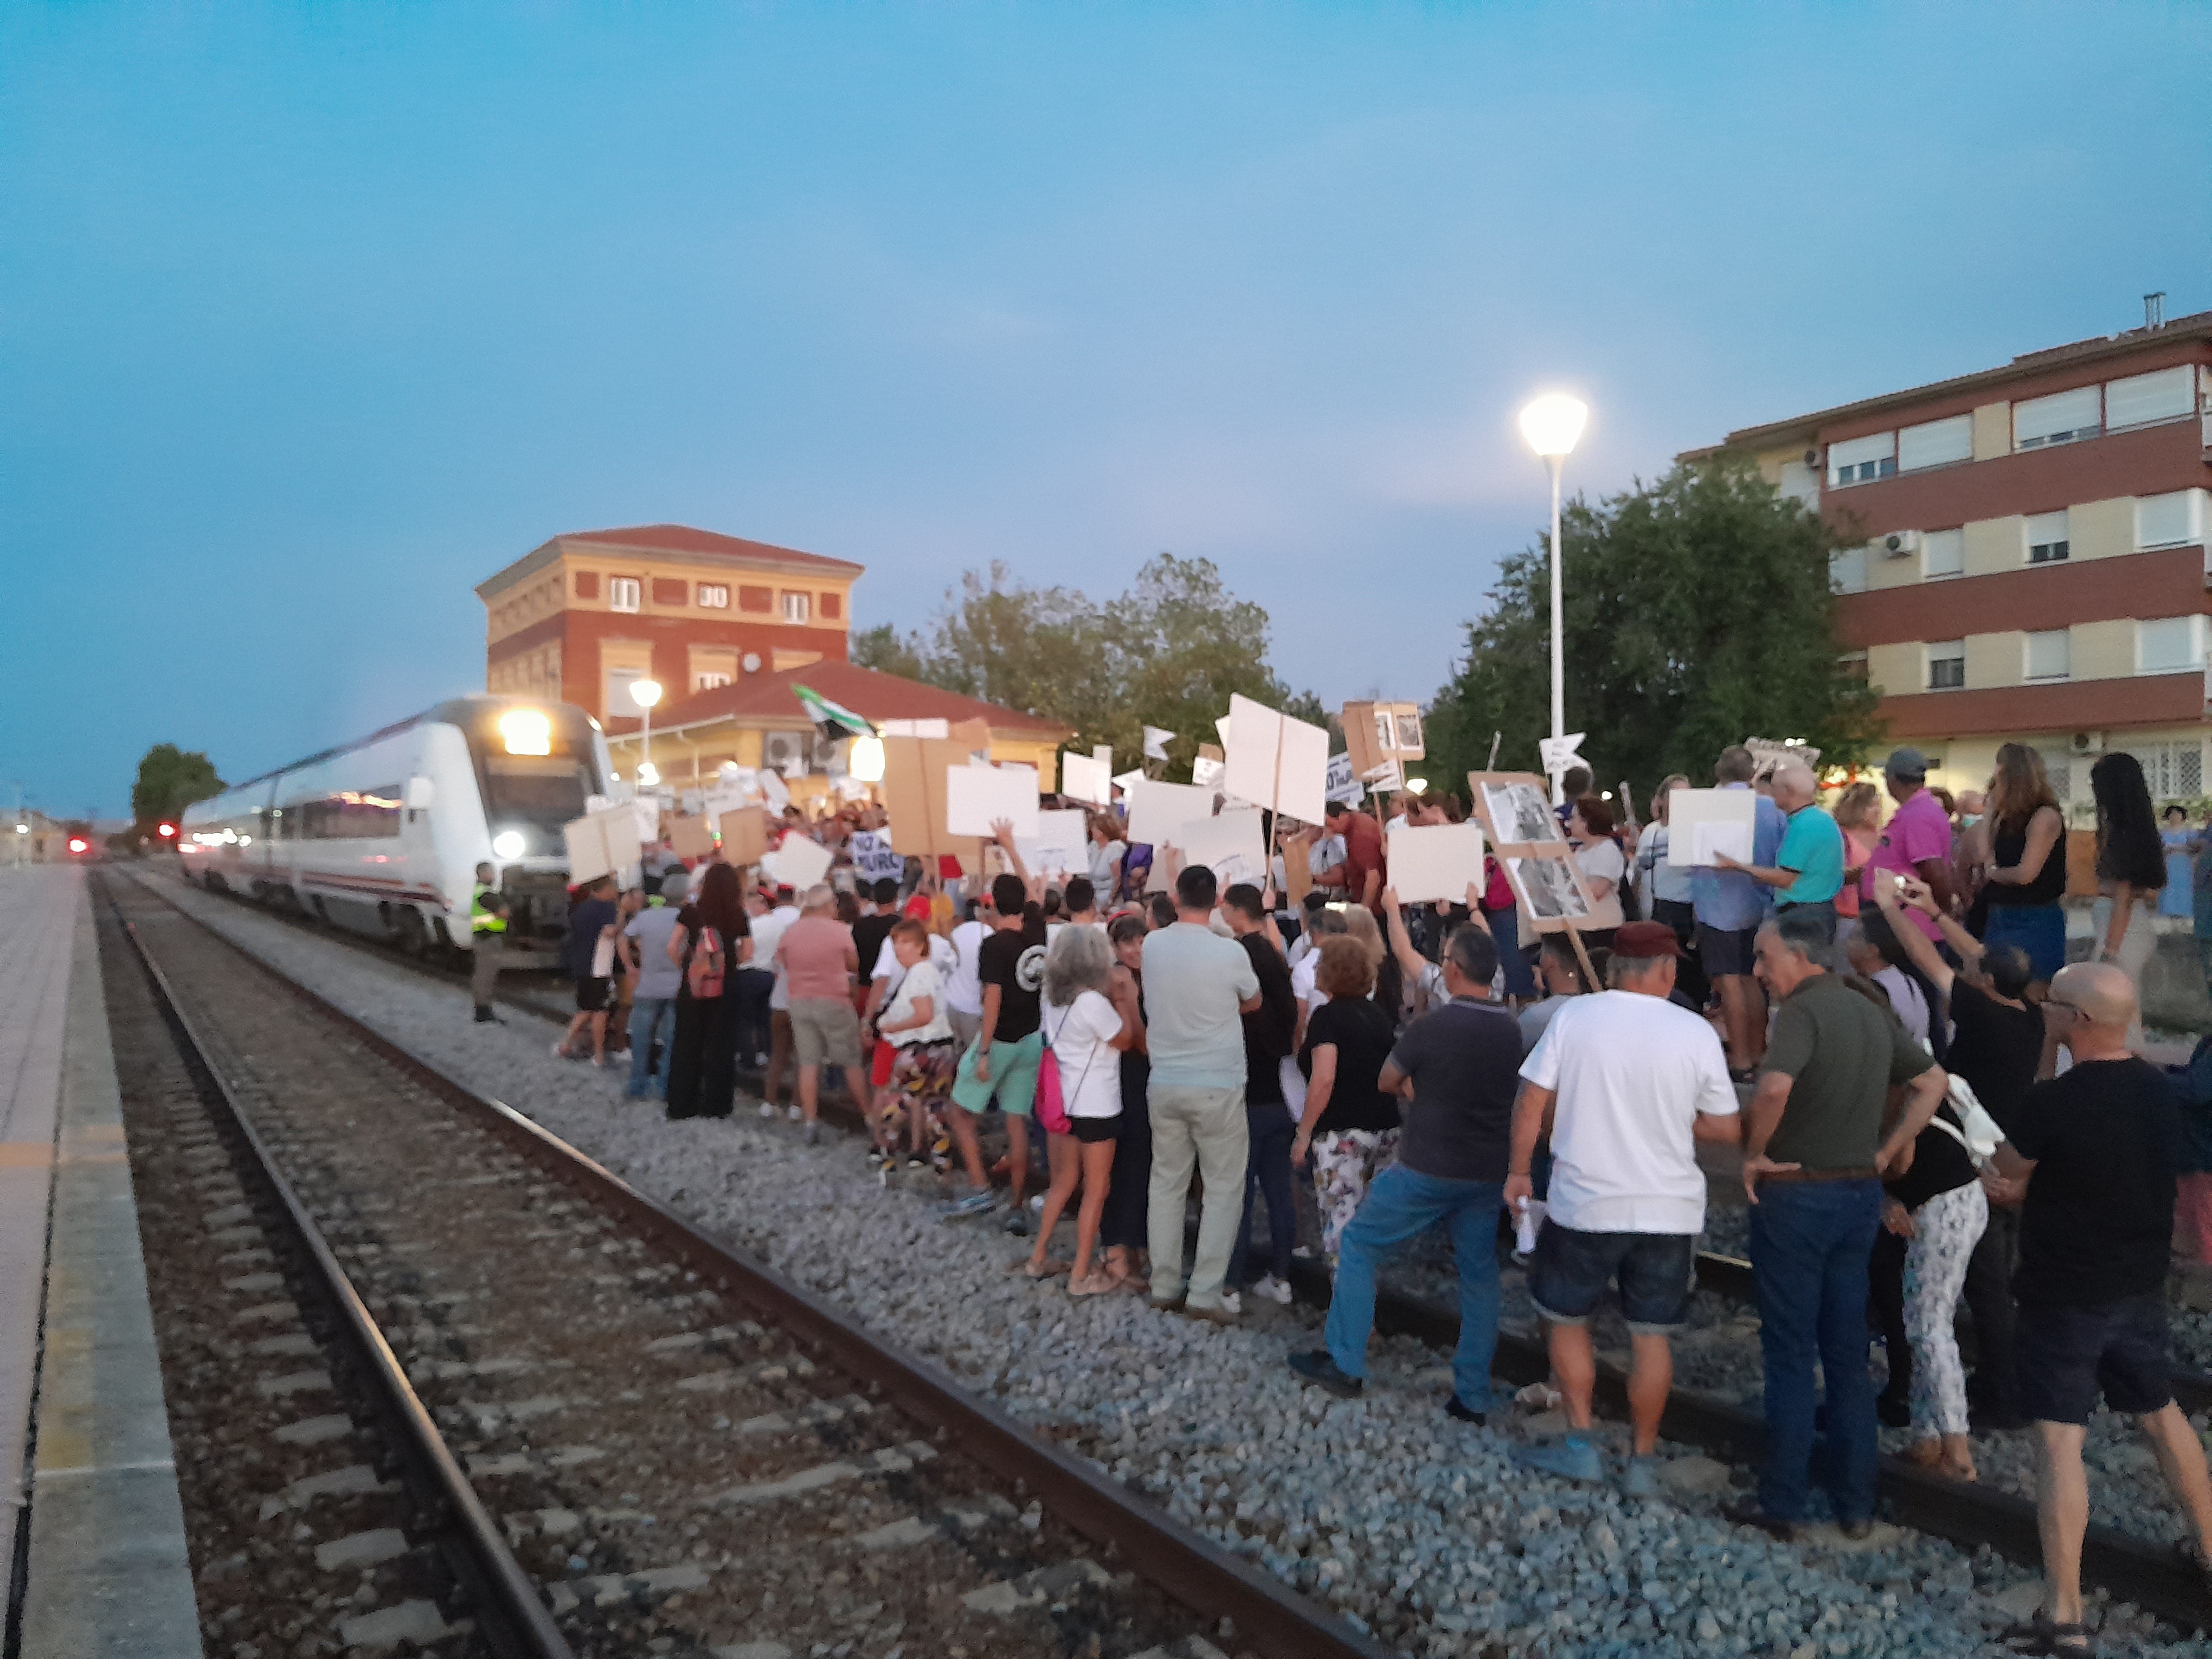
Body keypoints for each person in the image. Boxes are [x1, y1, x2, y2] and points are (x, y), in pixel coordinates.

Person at [1988, 963, 2212, 1655]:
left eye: (2052, 1008)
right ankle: (2210, 1547)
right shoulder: (2158, 1090)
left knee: (2060, 1442)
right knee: (2160, 1413)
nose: (2044, 1014)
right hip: (2138, 1286)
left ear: (2077, 1022)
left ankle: (2066, 1616)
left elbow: (2007, 1176)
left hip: (2064, 1295)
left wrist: (2010, 1186)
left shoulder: (2049, 1104)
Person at [1727, 908, 1947, 1541]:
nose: (1759, 971)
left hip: (1798, 1197)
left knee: (1792, 1353)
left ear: (1800, 959)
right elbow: (1932, 1080)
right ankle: (1856, 1504)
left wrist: (1754, 1154)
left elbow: (1771, 1090)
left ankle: (1784, 1501)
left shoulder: (1802, 1011)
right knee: (1848, 1354)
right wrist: (1888, 1148)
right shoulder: (1868, 1008)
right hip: (1858, 1194)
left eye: (1765, 958)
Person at [1507, 922, 1740, 1491]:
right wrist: (1665, 1116)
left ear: (1613, 972)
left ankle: (1582, 1446)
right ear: (1665, 971)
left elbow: (1531, 1100)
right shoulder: (1695, 1033)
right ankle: (1640, 1463)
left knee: (1565, 1320)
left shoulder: (1574, 1018)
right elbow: (1726, 1127)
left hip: (1584, 1202)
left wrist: (1517, 1171)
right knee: (1650, 1335)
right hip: (1668, 1209)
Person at [1289, 925, 1516, 1420]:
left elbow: (1390, 1079)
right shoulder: (1510, 1026)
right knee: (1478, 1276)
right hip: (1487, 1171)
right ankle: (1472, 1394)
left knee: (1358, 1243)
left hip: (1429, 1165)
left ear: (1452, 968)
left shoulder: (1432, 1028)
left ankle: (1345, 1362)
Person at [1875, 873, 2042, 1442]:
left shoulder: (1982, 1014)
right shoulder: (2028, 1011)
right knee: (1994, 1281)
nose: (1966, 972)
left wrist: (1893, 911)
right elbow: (1984, 959)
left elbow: (1928, 960)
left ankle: (1997, 1393)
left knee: (1986, 1284)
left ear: (1986, 984)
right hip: (2005, 1150)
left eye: (1975, 973)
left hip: (1973, 1161)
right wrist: (1937, 910)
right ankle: (2002, 1382)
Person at [1141, 864, 1262, 1322]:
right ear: (1217, 902)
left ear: (1174, 899)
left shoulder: (1153, 945)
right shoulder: (1229, 952)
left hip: (1165, 1077)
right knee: (1223, 1188)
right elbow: (1253, 1001)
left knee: (1167, 1183)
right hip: (1218, 1081)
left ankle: (1164, 1282)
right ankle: (1206, 1294)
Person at [1024, 927, 1138, 1289]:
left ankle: (1038, 1257)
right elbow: (1125, 1039)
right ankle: (1081, 1271)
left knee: (1062, 1183)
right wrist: (1122, 997)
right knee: (1096, 1189)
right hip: (1097, 1104)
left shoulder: (1050, 999)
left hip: (1063, 1103)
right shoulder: (1092, 1002)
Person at [947, 874, 1050, 1227]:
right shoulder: (1037, 931)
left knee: (960, 1113)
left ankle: (980, 1189)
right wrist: (1008, 845)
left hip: (1001, 1039)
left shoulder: (993, 946)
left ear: (991, 906)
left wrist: (985, 1051)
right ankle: (1017, 1206)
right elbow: (1037, 895)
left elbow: (992, 1000)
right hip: (1032, 1038)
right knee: (1016, 1120)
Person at [1290, 935, 1402, 1259]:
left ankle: (1347, 1304)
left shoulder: (1327, 1018)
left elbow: (1324, 1079)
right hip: (1385, 1128)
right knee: (1370, 1227)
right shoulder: (1377, 1015)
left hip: (1343, 1134)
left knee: (1342, 1229)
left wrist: (1304, 1133)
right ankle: (1366, 1298)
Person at [1691, 745, 1789, 1077]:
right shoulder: (1771, 808)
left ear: (1718, 772)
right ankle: (1760, 1052)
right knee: (1753, 981)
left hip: (1716, 905)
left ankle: (1741, 1058)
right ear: (1751, 774)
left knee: (1729, 983)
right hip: (1759, 903)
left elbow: (1689, 854)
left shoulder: (1702, 807)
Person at [1222, 883, 1298, 1306]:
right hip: (1281, 1091)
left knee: (1238, 1192)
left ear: (1236, 912)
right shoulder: (1275, 954)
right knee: (1278, 1191)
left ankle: (1231, 1283)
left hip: (1246, 1089)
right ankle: (1281, 1278)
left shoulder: (1240, 955)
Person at [775, 884, 867, 1146]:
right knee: (850, 1061)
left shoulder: (791, 932)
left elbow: (781, 962)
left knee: (808, 1063)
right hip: (834, 1000)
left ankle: (811, 1122)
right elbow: (853, 964)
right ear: (828, 906)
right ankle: (870, 1118)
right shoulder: (839, 931)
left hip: (800, 1001)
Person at [1713, 763, 1844, 942]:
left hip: (1803, 915)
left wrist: (1737, 866)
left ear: (1787, 791)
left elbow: (1785, 878)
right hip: (1819, 910)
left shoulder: (1804, 826)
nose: (1770, 793)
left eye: (1774, 788)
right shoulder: (1822, 819)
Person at [2088, 750, 2165, 1044]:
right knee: (2128, 1012)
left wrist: (2110, 952)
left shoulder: (2122, 837)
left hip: (2121, 934)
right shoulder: (2140, 832)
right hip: (2132, 929)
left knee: (2116, 1015)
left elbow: (2123, 899)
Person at [1979, 743, 2068, 989]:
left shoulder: (2044, 816)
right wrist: (1989, 814)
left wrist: (1995, 873)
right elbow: (1983, 854)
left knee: (2032, 988)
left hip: (2034, 916)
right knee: (1995, 986)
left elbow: (2026, 873)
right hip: (2000, 911)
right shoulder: (2008, 817)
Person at [665, 863, 749, 1121]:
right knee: (721, 1046)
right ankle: (717, 1105)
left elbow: (672, 947)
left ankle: (681, 1104)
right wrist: (727, 967)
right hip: (727, 987)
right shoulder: (738, 914)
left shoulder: (691, 912)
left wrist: (689, 967)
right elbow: (748, 951)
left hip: (693, 987)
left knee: (687, 1044)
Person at [872, 918, 958, 1169]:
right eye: (897, 943)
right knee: (936, 1112)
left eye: (906, 943)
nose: (900, 948)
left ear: (921, 946)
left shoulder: (919, 974)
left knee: (896, 1106)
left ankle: (886, 1160)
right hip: (942, 1050)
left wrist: (889, 1026)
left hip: (919, 1050)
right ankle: (943, 1172)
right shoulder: (929, 971)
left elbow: (924, 1014)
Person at [1100, 912, 1154, 1291]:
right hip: (1124, 1079)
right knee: (1128, 1165)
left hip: (1147, 1081)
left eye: (1140, 941)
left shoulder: (1152, 976)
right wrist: (1132, 1000)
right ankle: (1118, 1249)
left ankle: (1136, 1243)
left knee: (1145, 1164)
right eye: (1127, 943)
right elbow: (1138, 1040)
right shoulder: (1116, 981)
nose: (1136, 949)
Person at [1862, 748, 1956, 946]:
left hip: (1909, 926)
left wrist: (1940, 915)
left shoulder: (1917, 816)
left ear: (1892, 779)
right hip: (1903, 920)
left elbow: (1934, 872)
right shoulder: (1916, 811)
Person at [621, 867, 689, 1101]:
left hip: (647, 986)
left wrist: (630, 966)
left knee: (641, 1042)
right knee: (672, 1042)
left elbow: (624, 936)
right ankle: (664, 1087)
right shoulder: (687, 920)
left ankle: (637, 1087)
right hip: (678, 987)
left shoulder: (646, 917)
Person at [556, 874, 621, 1065]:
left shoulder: (582, 907)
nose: (616, 890)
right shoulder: (606, 908)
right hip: (598, 967)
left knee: (587, 1009)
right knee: (599, 1011)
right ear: (605, 889)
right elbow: (610, 931)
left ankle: (567, 1044)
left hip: (583, 964)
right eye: (613, 887)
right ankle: (597, 1055)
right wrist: (622, 915)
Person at [1566, 796, 1624, 950]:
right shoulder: (1580, 851)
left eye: (1574, 818)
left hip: (1602, 926)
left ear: (1586, 823)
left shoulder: (1607, 850)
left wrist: (1569, 889)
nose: (1569, 823)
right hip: (1583, 924)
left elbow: (1596, 890)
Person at [1316, 799, 1385, 912]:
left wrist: (1364, 910)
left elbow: (1373, 878)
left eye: (1330, 825)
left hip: (1377, 907)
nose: (1329, 830)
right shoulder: (1359, 820)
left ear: (1342, 816)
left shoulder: (1360, 836)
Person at [1832, 781, 1882, 930]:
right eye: (1872, 806)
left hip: (1880, 912)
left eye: (1879, 806)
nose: (1878, 811)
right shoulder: (1841, 836)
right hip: (1848, 916)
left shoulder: (1883, 836)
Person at [944, 897, 989, 1052]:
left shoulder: (954, 933)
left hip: (952, 1006)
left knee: (954, 1059)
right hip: (974, 1011)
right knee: (974, 1060)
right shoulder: (988, 934)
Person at [469, 861, 509, 1023]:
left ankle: (482, 1009)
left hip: (483, 938)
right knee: (486, 976)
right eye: (491, 872)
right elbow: (504, 913)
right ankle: (483, 1011)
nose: (494, 875)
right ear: (483, 874)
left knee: (482, 975)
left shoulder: (481, 891)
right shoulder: (486, 894)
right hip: (489, 940)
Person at [2163, 805, 2197, 919]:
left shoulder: (2189, 832)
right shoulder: (2164, 833)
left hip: (2184, 862)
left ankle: (2185, 911)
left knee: (2184, 886)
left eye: (2177, 814)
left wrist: (2184, 848)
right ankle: (2170, 911)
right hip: (2169, 862)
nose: (2175, 817)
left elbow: (2195, 847)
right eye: (2172, 815)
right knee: (2170, 885)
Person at [1088, 813, 1128, 904]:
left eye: (1094, 828)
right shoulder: (1093, 845)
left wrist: (1110, 901)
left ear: (1103, 830)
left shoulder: (1116, 848)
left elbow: (1118, 879)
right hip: (1092, 894)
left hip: (1107, 896)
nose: (1092, 831)